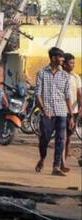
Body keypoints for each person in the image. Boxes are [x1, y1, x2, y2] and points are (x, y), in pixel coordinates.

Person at [35, 47, 73, 176]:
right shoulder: (42, 73)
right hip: (47, 113)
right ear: (53, 58)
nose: (62, 59)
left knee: (60, 140)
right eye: (60, 57)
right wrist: (44, 110)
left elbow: (68, 96)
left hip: (61, 112)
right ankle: (42, 158)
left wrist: (71, 115)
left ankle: (56, 166)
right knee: (44, 139)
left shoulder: (65, 76)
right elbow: (37, 94)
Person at [62, 53, 81, 172]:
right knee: (62, 137)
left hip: (73, 111)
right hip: (61, 110)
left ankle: (64, 160)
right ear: (64, 64)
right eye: (70, 63)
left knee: (68, 138)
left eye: (74, 63)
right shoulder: (60, 76)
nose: (73, 65)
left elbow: (79, 93)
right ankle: (61, 162)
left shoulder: (76, 77)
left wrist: (80, 106)